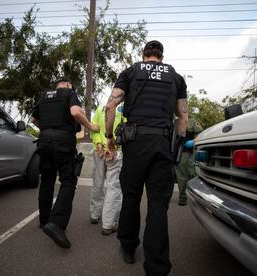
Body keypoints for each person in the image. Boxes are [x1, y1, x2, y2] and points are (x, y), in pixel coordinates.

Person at [105, 40, 188, 275]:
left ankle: (128, 247)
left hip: (134, 143)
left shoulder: (131, 71)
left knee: (131, 196)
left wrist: (110, 137)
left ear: (144, 55)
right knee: (158, 204)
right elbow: (182, 118)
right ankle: (157, 266)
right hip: (163, 144)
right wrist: (177, 147)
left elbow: (110, 106)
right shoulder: (176, 77)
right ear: (161, 57)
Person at [30, 77, 98, 249]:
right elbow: (75, 112)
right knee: (68, 181)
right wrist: (89, 125)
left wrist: (46, 129)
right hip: (63, 143)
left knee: (47, 180)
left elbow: (33, 120)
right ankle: (57, 223)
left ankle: (44, 220)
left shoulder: (44, 96)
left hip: (44, 141)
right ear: (68, 84)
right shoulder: (70, 93)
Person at [90, 104, 124, 235]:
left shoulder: (101, 108)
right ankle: (108, 223)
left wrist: (98, 143)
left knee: (97, 183)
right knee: (114, 186)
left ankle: (94, 214)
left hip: (98, 150)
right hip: (115, 152)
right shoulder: (126, 109)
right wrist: (113, 147)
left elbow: (94, 127)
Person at [175, 117, 203, 206]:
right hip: (174, 151)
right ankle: (182, 197)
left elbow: (201, 133)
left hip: (187, 151)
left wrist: (193, 141)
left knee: (192, 173)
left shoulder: (191, 121)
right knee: (180, 175)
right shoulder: (172, 120)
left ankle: (196, 196)